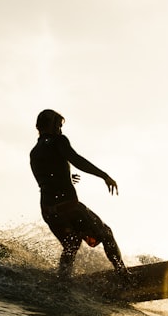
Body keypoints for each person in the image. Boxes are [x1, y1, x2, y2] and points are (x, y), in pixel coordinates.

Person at [30, 109, 129, 283]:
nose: (60, 130)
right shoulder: (58, 141)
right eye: (59, 126)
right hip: (68, 206)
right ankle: (123, 275)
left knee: (71, 244)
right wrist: (104, 175)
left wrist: (67, 178)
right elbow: (76, 159)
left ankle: (63, 281)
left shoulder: (34, 152)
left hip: (48, 210)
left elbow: (46, 180)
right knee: (106, 234)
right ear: (52, 125)